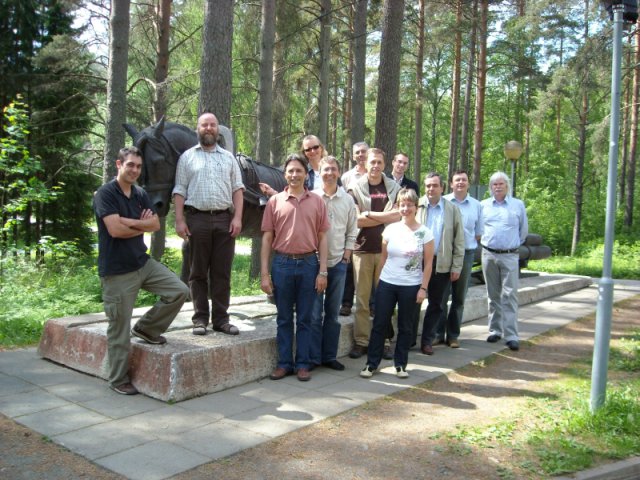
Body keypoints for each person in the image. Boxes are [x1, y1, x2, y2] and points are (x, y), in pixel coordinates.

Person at [93, 147, 189, 395]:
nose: (134, 170)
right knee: (119, 328)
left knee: (179, 291)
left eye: (138, 166)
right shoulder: (105, 194)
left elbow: (155, 224)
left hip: (142, 263)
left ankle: (147, 328)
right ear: (119, 164)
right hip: (117, 271)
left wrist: (129, 221)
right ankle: (118, 379)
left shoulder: (140, 194)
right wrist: (140, 224)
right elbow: (115, 230)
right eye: (130, 165)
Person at [172, 112, 245, 337]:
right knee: (198, 272)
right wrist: (179, 220)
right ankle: (200, 319)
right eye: (204, 125)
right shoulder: (187, 158)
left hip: (224, 220)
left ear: (218, 129)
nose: (209, 128)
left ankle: (221, 320)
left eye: (213, 125)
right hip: (197, 220)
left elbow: (237, 189)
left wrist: (237, 218)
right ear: (198, 129)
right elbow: (179, 190)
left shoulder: (228, 158)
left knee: (222, 273)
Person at [260, 154, 330, 382]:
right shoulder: (275, 201)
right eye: (290, 170)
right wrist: (264, 274)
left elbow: (323, 238)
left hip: (309, 264)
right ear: (285, 174)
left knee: (305, 319)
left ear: (305, 174)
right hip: (282, 264)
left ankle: (302, 364)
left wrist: (323, 271)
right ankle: (284, 364)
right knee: (283, 318)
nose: (294, 174)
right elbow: (267, 238)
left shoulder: (317, 201)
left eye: (299, 170)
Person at [360, 188, 434, 379]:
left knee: (406, 326)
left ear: (416, 207)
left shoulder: (425, 233)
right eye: (402, 205)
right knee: (379, 324)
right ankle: (371, 364)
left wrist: (423, 288)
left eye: (409, 205)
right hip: (387, 283)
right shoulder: (390, 230)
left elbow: (428, 264)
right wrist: (379, 283)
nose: (405, 209)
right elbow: (384, 259)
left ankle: (400, 364)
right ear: (397, 206)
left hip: (411, 286)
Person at [347, 148, 401, 360]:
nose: (376, 166)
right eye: (372, 162)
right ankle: (362, 341)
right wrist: (384, 216)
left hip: (387, 251)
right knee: (361, 300)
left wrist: (369, 214)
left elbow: (398, 216)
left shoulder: (394, 188)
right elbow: (356, 220)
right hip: (362, 249)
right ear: (365, 164)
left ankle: (384, 341)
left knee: (384, 299)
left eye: (379, 162)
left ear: (384, 165)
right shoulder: (355, 189)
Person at [311, 156, 358, 371]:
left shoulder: (347, 200)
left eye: (333, 169)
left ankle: (329, 356)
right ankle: (313, 358)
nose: (329, 173)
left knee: (333, 314)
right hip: (313, 263)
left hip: (338, 263)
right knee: (313, 314)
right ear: (319, 172)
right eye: (325, 169)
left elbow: (352, 231)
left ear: (339, 172)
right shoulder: (312, 197)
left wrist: (346, 257)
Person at [415, 172, 465, 355]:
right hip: (417, 262)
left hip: (441, 263)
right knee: (413, 301)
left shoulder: (452, 209)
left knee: (436, 304)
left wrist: (456, 266)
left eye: (435, 185)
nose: (431, 189)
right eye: (428, 185)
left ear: (442, 188)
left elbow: (459, 240)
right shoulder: (417, 205)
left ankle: (427, 341)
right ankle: (410, 338)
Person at [481, 171, 528, 351]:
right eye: (495, 184)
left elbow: (523, 231)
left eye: (501, 184)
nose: (498, 187)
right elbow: (479, 229)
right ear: (490, 187)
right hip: (488, 255)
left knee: (510, 295)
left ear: (507, 186)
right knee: (492, 295)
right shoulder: (483, 206)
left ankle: (511, 335)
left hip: (510, 255)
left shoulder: (518, 205)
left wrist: (511, 246)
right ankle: (495, 330)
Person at [438, 170, 484, 348]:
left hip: (466, 254)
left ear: (468, 183)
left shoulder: (476, 205)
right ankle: (437, 334)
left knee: (459, 298)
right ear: (451, 184)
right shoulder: (443, 201)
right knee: (441, 296)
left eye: (464, 180)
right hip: (445, 254)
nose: (460, 183)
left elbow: (478, 234)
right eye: (457, 180)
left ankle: (453, 335)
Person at [340, 142, 368, 317]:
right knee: (349, 267)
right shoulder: (346, 177)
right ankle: (346, 303)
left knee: (370, 267)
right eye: (357, 152)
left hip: (372, 227)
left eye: (364, 151)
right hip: (351, 226)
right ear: (353, 155)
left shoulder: (376, 175)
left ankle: (370, 304)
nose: (361, 155)